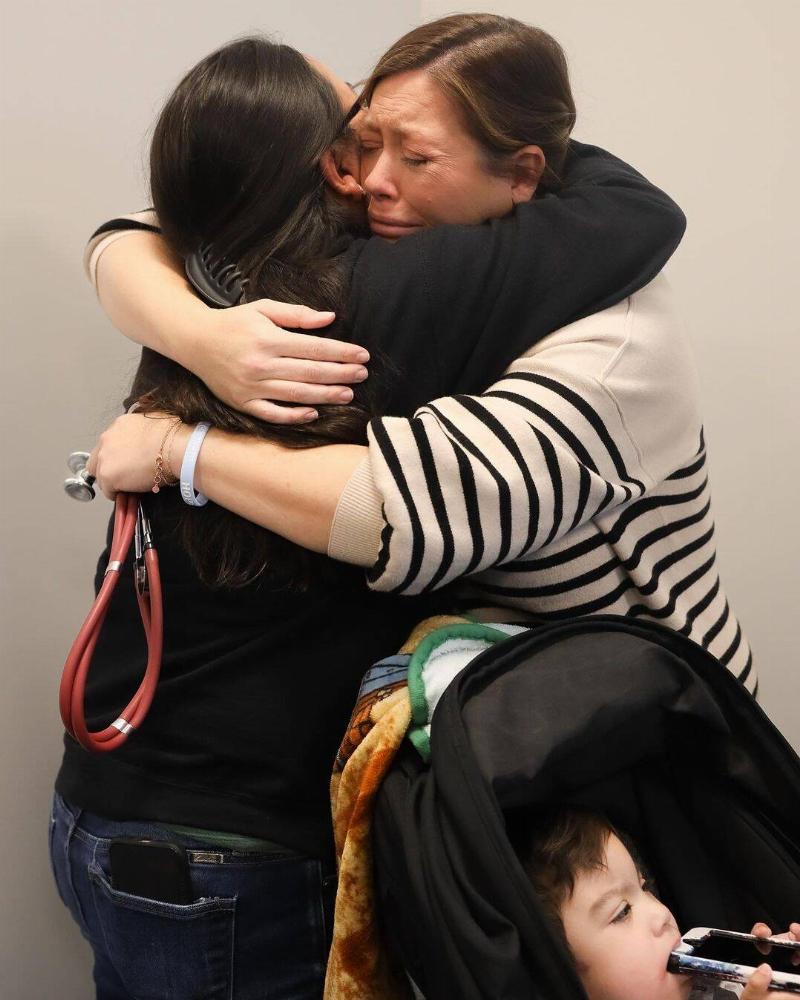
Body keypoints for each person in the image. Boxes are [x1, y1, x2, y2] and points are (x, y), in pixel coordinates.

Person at [55, 19, 685, 1000]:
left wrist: (177, 433)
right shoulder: (378, 299)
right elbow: (633, 214)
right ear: (323, 173)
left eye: (404, 146)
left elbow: (127, 232)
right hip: (236, 846)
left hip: (98, 808)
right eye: (356, 138)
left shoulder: (214, 280)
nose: (375, 168)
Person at [89, 14, 754, 695]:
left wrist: (175, 448)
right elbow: (144, 230)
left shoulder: (611, 342)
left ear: (525, 172)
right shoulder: (359, 269)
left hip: (644, 715)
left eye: (416, 157)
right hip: (487, 704)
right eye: (363, 143)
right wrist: (197, 334)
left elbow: (404, 513)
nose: (371, 179)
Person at [517, 807, 800, 1000]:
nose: (661, 913)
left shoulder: (712, 984)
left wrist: (776, 969)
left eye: (644, 888)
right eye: (622, 912)